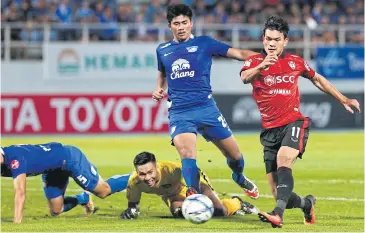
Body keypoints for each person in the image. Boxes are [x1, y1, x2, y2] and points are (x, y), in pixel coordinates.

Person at [240, 16, 361, 228]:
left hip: (294, 122)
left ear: (285, 41)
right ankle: (307, 204)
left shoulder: (295, 62)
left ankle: (277, 215)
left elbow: (317, 79)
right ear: (263, 39)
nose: (271, 43)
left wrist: (343, 99)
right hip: (269, 130)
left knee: (284, 161)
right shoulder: (253, 62)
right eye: (268, 39)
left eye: (276, 40)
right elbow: (244, 77)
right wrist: (262, 66)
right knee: (279, 193)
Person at [151, 3, 259, 200]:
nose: (181, 27)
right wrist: (159, 87)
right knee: (186, 153)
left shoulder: (205, 43)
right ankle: (193, 194)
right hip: (180, 111)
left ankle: (239, 176)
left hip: (206, 108)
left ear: (191, 23)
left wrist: (264, 59)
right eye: (176, 23)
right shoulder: (163, 50)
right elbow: (163, 73)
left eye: (185, 22)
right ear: (170, 26)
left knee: (235, 157)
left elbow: (240, 54)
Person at [1, 142, 129, 224]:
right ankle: (83, 198)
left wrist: (17, 223)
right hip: (52, 170)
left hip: (69, 159)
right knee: (56, 210)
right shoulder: (5, 160)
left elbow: (20, 193)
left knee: (103, 191)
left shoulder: (15, 159)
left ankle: (137, 175)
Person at [120, 151, 259, 219]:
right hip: (173, 196)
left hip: (193, 185)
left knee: (218, 212)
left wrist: (198, 193)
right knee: (181, 215)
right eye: (142, 174)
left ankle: (237, 203)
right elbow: (133, 206)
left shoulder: (172, 170)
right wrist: (130, 212)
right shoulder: (134, 183)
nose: (148, 178)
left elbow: (194, 174)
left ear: (156, 167)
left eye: (150, 172)